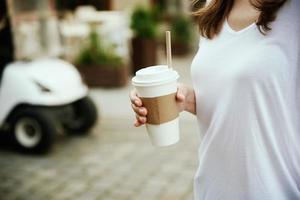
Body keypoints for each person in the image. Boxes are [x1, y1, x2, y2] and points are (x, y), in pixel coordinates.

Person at [130, 0, 300, 199]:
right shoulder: (215, 7)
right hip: (212, 189)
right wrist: (185, 99)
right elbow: (229, 96)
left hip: (276, 190)